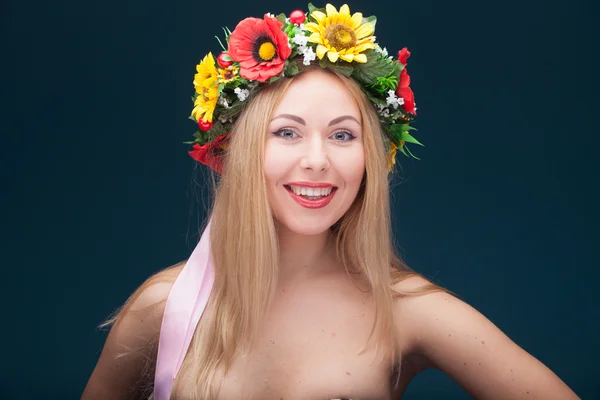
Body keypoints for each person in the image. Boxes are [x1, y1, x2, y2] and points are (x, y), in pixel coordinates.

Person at [81, 4, 579, 400]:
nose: (317, 160)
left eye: (343, 135)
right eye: (287, 132)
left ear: (372, 158)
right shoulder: (162, 307)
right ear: (239, 150)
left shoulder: (406, 311)